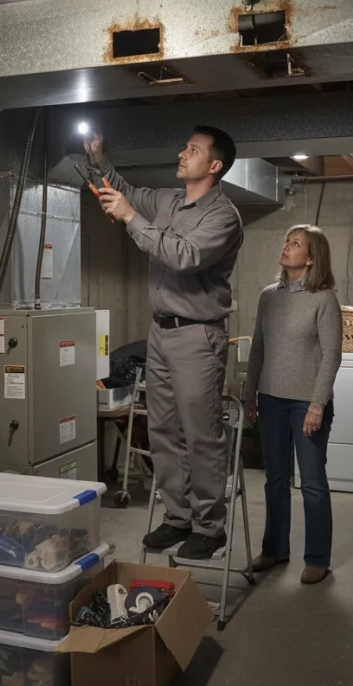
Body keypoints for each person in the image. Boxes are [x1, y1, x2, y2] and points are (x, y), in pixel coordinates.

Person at [84, 126, 243, 560]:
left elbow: (184, 257)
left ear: (213, 166)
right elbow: (126, 192)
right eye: (184, 146)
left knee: (201, 434)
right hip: (161, 332)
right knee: (162, 430)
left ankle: (209, 527)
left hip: (198, 335)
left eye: (192, 150)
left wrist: (131, 218)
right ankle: (178, 517)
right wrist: (100, 159)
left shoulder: (222, 217)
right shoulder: (168, 200)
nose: (181, 153)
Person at [243, 224, 343, 584]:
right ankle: (274, 550)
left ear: (312, 258)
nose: (287, 247)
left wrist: (317, 404)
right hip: (270, 400)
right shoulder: (269, 296)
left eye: (296, 244)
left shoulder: (324, 299)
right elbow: (258, 348)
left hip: (306, 405)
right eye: (287, 240)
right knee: (274, 480)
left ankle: (317, 558)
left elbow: (332, 356)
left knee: (313, 483)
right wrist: (248, 393)